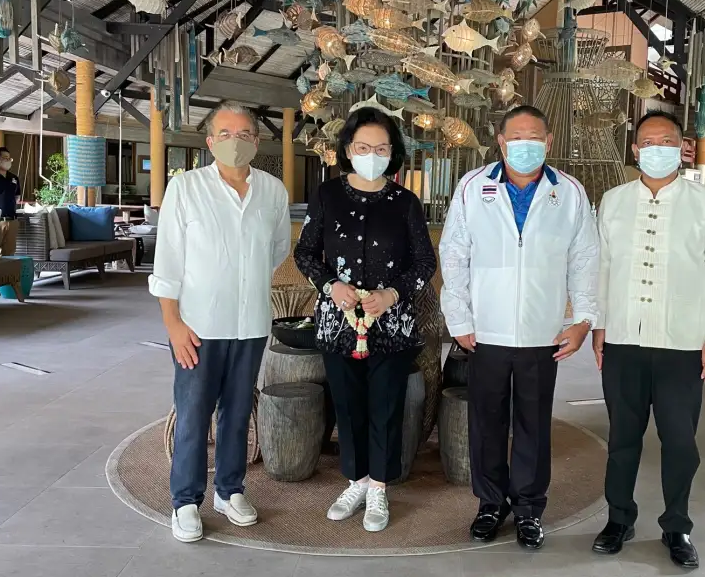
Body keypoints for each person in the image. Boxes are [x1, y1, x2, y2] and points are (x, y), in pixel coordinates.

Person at [439, 105, 599, 550]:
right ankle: (491, 503)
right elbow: (454, 254)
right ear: (501, 142)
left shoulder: (569, 192)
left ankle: (529, 508)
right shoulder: (473, 187)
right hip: (485, 332)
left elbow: (585, 260)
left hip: (542, 332)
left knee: (533, 423)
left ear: (549, 142)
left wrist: (583, 320)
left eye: (535, 137)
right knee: (486, 421)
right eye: (516, 137)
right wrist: (459, 317)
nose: (525, 145)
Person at [590, 111, 705, 569]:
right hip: (624, 339)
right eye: (648, 142)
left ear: (682, 149)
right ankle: (619, 518)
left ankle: (677, 526)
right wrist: (599, 324)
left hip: (683, 343)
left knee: (679, 442)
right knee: (622, 438)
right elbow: (602, 267)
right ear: (635, 150)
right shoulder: (613, 201)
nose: (657, 149)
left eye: (667, 141)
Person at [149, 102, 290, 543]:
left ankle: (229, 491)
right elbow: (167, 261)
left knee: (238, 411)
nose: (235, 141)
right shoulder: (186, 188)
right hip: (198, 326)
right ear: (210, 142)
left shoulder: (272, 191)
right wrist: (172, 323)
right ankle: (185, 501)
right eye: (225, 134)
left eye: (244, 133)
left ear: (257, 142)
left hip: (250, 323)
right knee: (194, 413)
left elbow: (277, 250)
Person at [294, 108, 436, 533]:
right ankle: (355, 482)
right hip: (338, 324)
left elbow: (424, 262)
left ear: (392, 153)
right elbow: (305, 252)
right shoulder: (327, 195)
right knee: (348, 404)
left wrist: (392, 294)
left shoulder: (405, 202)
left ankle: (379, 487)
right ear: (348, 150)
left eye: (381, 148)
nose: (371, 155)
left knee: (385, 406)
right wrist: (329, 285)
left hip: (391, 326)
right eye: (363, 147)